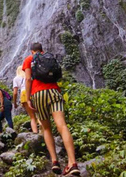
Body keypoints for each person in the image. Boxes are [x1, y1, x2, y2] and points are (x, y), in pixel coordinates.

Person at [23, 42, 80, 176]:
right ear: (41, 50)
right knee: (62, 126)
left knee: (46, 128)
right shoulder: (49, 57)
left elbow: (28, 79)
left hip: (38, 94)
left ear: (32, 51)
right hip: (54, 92)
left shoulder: (29, 59)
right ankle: (73, 163)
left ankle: (54, 161)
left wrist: (28, 98)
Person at [13, 66, 39, 134]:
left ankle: (35, 133)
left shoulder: (16, 78)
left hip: (24, 94)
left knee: (32, 117)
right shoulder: (29, 75)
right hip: (33, 92)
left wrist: (15, 103)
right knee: (39, 113)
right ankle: (44, 130)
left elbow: (15, 93)